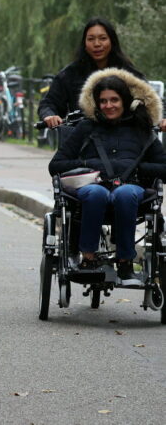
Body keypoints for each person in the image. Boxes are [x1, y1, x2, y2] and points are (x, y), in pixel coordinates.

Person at [48, 68, 166, 286]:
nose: (109, 105)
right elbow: (56, 165)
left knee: (125, 193)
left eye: (114, 100)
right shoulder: (85, 128)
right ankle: (89, 259)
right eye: (103, 101)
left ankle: (125, 262)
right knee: (95, 193)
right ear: (96, 103)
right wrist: (88, 165)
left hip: (132, 188)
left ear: (125, 101)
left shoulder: (141, 130)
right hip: (92, 186)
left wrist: (139, 169)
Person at [39, 17, 165, 131]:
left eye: (103, 38)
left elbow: (150, 99)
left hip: (123, 141)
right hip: (81, 141)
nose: (97, 44)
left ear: (112, 41)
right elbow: (49, 103)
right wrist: (49, 115)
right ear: (85, 43)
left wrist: (163, 119)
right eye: (91, 39)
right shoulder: (69, 74)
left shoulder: (127, 73)